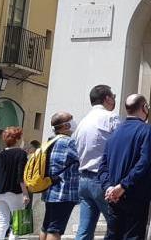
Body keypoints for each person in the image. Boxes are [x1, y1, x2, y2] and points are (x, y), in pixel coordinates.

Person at [100, 94, 151, 240]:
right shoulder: (147, 130)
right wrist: (123, 186)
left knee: (113, 235)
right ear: (144, 107)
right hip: (135, 195)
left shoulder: (114, 133)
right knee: (133, 236)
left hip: (114, 197)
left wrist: (109, 187)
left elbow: (102, 166)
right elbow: (144, 162)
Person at [75, 85, 122, 240]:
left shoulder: (82, 122)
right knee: (117, 226)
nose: (114, 99)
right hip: (101, 179)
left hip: (83, 179)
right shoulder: (111, 117)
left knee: (84, 229)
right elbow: (122, 144)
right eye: (113, 96)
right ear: (107, 98)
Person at [42, 112, 80, 240]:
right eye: (71, 120)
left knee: (46, 226)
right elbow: (81, 160)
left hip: (49, 189)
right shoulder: (69, 142)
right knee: (55, 229)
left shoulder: (49, 141)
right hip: (63, 192)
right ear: (66, 125)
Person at [0, 127, 31, 240]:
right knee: (17, 223)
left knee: (3, 222)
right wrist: (25, 193)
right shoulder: (21, 153)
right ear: (18, 139)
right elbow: (21, 176)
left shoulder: (1, 153)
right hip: (15, 192)